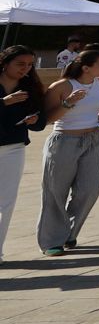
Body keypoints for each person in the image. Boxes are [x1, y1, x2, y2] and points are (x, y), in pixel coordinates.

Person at [37, 47, 99, 254]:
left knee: (89, 190)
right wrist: (68, 103)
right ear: (86, 67)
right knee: (55, 191)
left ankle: (68, 232)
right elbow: (48, 119)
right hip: (65, 140)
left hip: (94, 139)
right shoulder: (62, 86)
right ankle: (52, 241)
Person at [0, 46, 47, 261]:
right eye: (20, 64)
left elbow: (41, 121)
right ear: (5, 62)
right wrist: (4, 103)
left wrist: (35, 120)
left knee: (6, 201)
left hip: (13, 148)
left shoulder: (30, 87)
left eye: (30, 65)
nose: (26, 69)